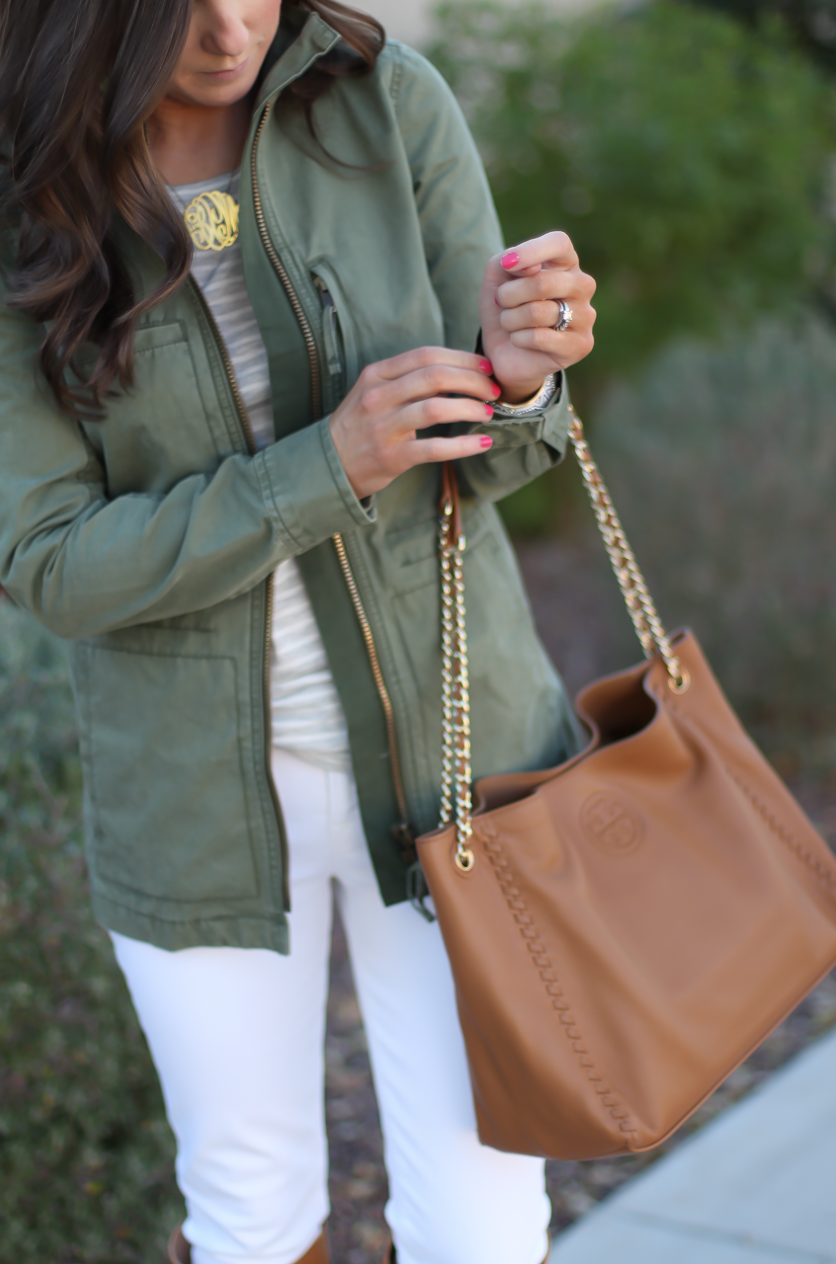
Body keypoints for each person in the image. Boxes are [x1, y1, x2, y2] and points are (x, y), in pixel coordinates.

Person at [0, 2, 596, 1262]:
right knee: (251, 1216)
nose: (232, 28)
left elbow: (487, 453)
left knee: (487, 1218)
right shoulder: (26, 193)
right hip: (195, 804)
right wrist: (324, 463)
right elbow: (48, 561)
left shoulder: (384, 102)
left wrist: (522, 370)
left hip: (457, 759)